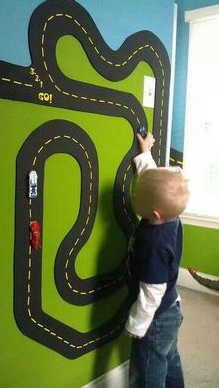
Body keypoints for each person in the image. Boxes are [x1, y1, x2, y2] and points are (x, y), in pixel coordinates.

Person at [125, 132, 190, 388]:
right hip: (172, 308)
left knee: (147, 370)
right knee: (169, 357)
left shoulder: (154, 243)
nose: (134, 198)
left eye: (136, 198)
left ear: (153, 212)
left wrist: (138, 324)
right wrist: (145, 154)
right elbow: (154, 184)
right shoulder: (171, 216)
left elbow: (152, 290)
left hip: (157, 317)